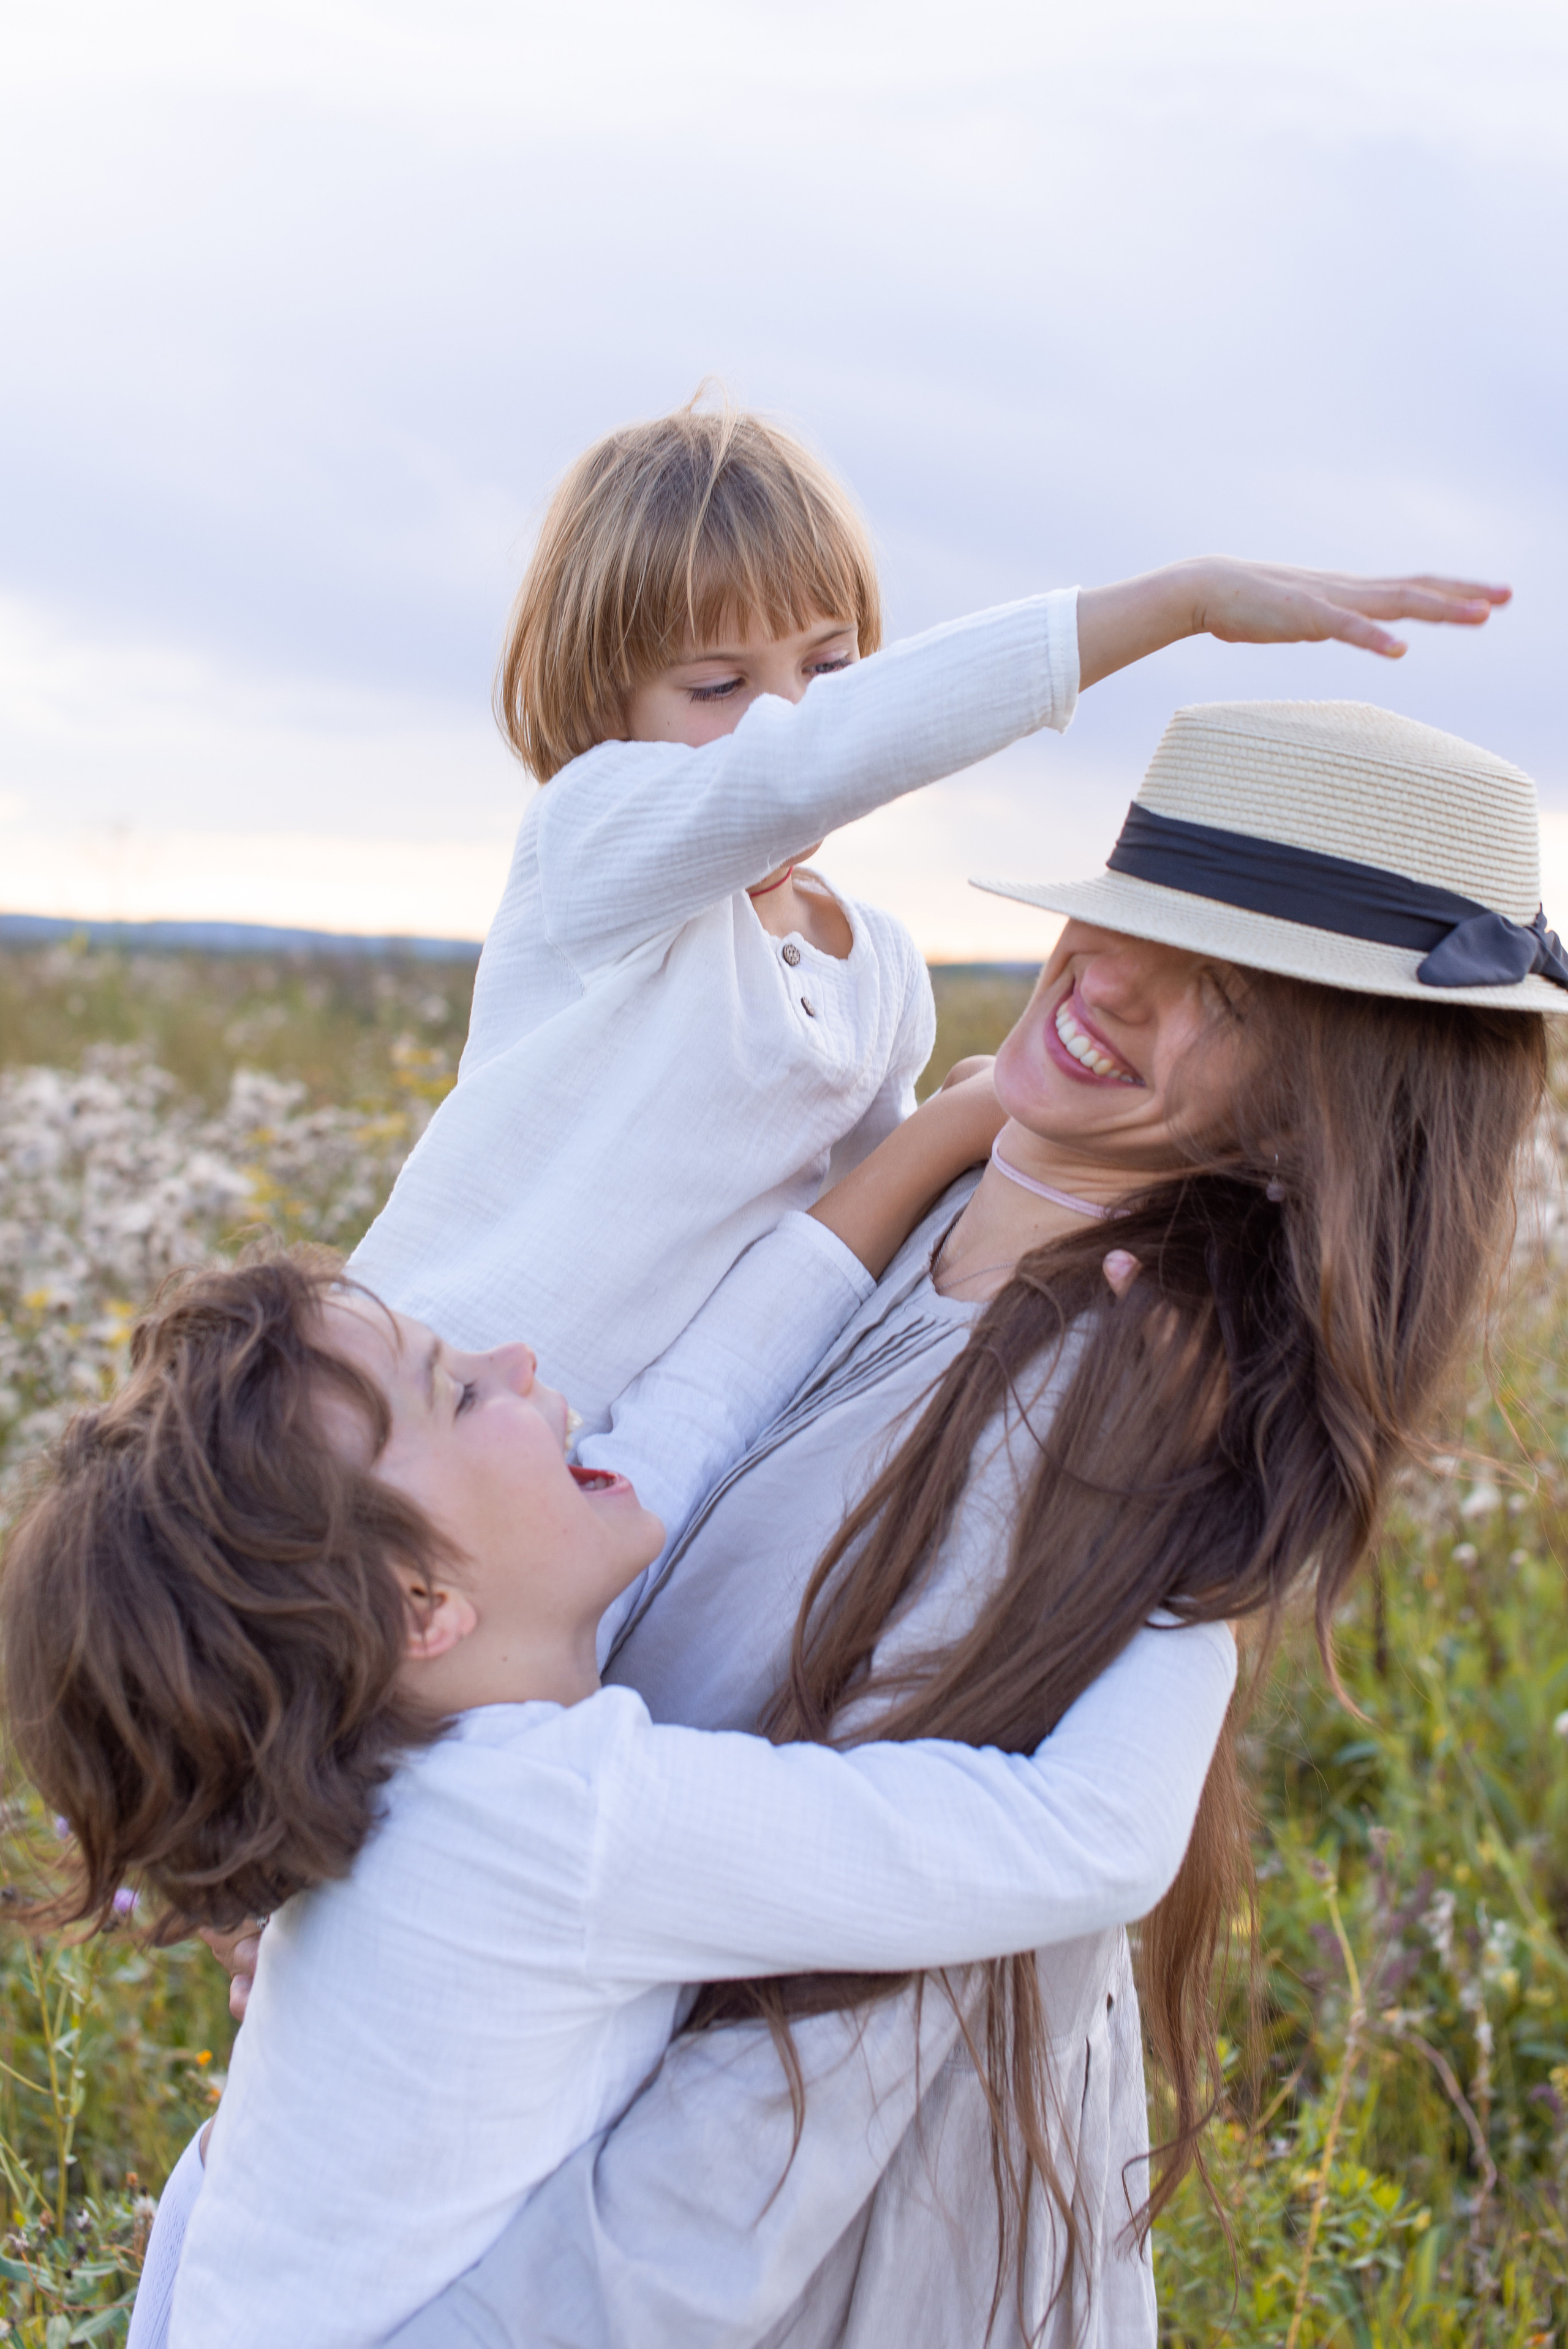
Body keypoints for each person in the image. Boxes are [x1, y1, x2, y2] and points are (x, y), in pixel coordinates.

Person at [344, 696, 1558, 2348]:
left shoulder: (1127, 1402)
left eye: (1236, 988)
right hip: (529, 2118)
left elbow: (835, 2046)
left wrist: (480, 2314)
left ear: (1355, 1089)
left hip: (743, 2264)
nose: (1114, 977)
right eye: (1132, 910)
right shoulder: (882, 1203)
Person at [2, 1075, 1236, 2349]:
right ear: (422, 1604)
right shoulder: (548, 1816)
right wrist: (1189, 1533)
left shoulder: (417, 1733)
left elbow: (706, 1400)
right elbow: (1083, 1837)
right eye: (461, 1391)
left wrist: (957, 1127)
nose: (518, 1359)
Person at [348, 396, 1509, 1430]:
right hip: (395, 1412)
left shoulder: (881, 972)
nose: (781, 716)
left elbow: (866, 1242)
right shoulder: (591, 849)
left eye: (831, 669)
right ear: (604, 702)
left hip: (596, 1480)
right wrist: (1180, 601)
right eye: (718, 687)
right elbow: (795, 770)